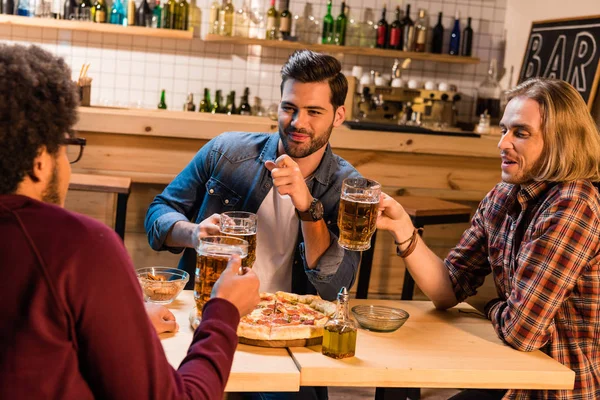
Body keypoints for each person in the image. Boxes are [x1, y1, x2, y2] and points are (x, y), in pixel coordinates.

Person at [0, 43, 260, 399]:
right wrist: (224, 310)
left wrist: (123, 321)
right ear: (40, 159)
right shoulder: (81, 247)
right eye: (64, 145)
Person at [377, 77, 600, 400]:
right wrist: (403, 230)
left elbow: (522, 332)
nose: (503, 143)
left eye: (520, 133)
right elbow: (448, 289)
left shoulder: (573, 204)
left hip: (558, 389)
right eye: (503, 130)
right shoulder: (504, 195)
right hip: (511, 371)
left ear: (560, 142)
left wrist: (489, 304)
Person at [145, 50, 362, 301]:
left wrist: (308, 208)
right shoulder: (225, 150)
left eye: (314, 112)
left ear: (338, 116)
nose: (297, 122)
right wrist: (193, 234)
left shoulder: (348, 188)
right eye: (289, 108)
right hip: (211, 307)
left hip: (289, 319)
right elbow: (158, 214)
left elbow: (337, 288)